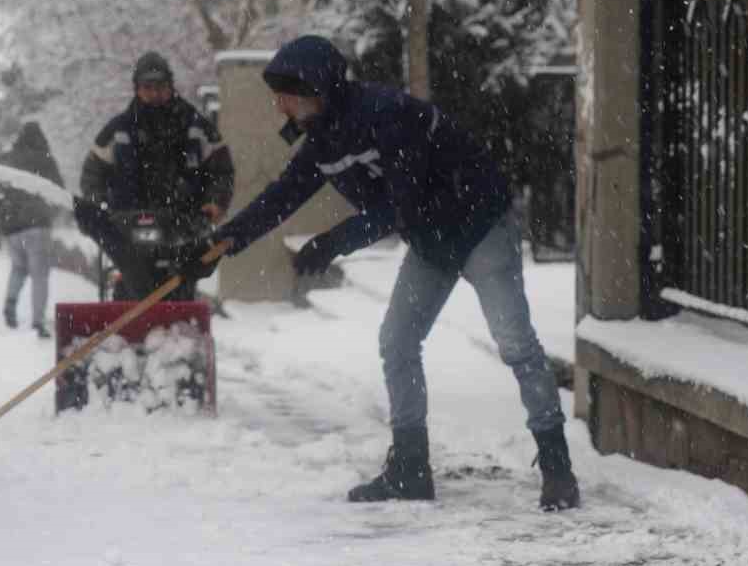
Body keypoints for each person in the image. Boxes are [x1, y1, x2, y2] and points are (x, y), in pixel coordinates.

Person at [177, 35, 580, 510]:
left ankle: (558, 468)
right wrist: (223, 242)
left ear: (316, 88)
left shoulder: (386, 114)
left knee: (514, 342)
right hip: (431, 242)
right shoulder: (324, 139)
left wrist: (331, 242)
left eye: (286, 91)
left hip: (479, 226)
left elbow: (397, 206)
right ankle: (410, 468)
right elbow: (283, 195)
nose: (278, 103)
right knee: (398, 341)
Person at [75, 52, 234, 298]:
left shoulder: (196, 128)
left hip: (183, 222)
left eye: (160, 86)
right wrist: (98, 203)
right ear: (137, 89)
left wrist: (215, 202)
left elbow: (221, 171)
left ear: (170, 86)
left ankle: (178, 322)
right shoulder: (118, 130)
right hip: (128, 223)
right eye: (147, 87)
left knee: (181, 281)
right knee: (130, 279)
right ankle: (127, 320)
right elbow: (92, 173)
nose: (154, 93)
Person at [0, 121, 64, 339]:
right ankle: (38, 321)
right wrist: (50, 213)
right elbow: (59, 191)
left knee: (19, 267)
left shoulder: (5, 159)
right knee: (40, 274)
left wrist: (1, 208)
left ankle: (10, 303)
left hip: (12, 226)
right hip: (37, 225)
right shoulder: (45, 160)